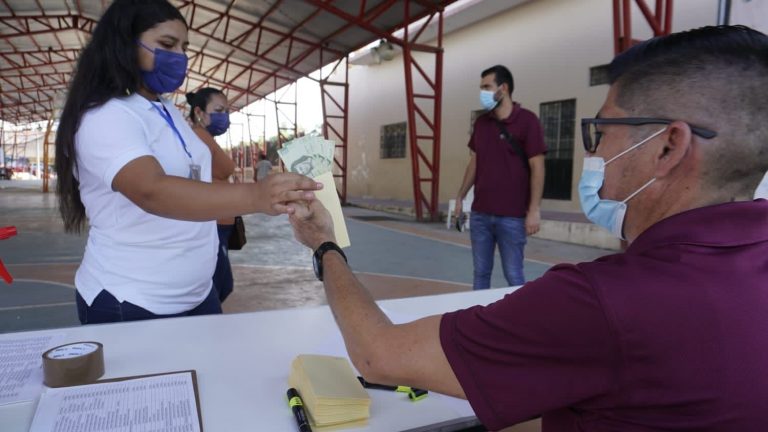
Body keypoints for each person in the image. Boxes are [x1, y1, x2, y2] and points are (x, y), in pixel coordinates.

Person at [288, 25, 768, 431]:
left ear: (668, 147)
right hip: (487, 220)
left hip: (512, 224)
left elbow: (378, 356)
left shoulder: (602, 306)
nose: (593, 152)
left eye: (601, 131)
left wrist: (325, 244)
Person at [54, 0, 319, 324]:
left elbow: (203, 178)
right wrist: (257, 196)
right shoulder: (105, 115)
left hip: (196, 294)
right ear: (124, 44)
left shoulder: (167, 111)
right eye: (167, 45)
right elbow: (152, 190)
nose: (179, 56)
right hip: (132, 300)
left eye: (183, 47)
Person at [454, 65, 546, 289]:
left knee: (514, 275)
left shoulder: (527, 121)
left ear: (503, 88)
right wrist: (460, 196)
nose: (482, 93)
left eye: (487, 87)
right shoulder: (482, 123)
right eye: (481, 87)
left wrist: (533, 210)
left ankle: (519, 321)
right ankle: (478, 320)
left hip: (512, 217)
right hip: (480, 215)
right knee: (480, 274)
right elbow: (474, 162)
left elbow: (538, 167)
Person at [187, 87, 236, 303]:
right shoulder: (198, 138)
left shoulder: (207, 138)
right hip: (212, 222)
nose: (224, 116)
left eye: (226, 111)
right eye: (218, 110)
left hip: (220, 222)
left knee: (221, 283)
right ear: (199, 112)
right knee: (218, 285)